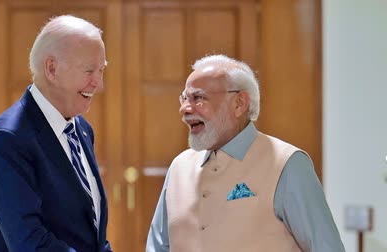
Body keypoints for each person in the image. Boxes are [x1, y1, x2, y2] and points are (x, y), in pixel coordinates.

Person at [146, 55, 345, 252]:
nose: (184, 108)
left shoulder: (288, 163)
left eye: (198, 97)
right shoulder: (179, 167)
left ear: (239, 103)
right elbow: (157, 247)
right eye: (184, 98)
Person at [0, 15, 112, 252]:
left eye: (102, 70)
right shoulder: (8, 139)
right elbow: (29, 243)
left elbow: (91, 237)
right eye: (90, 70)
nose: (98, 84)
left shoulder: (81, 129)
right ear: (52, 68)